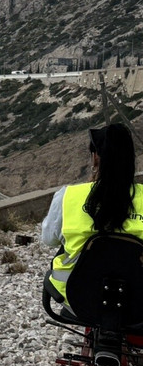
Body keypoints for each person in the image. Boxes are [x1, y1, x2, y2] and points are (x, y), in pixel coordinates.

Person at [42, 123, 143, 304]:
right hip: (137, 301)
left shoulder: (68, 196)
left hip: (76, 296)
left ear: (95, 158)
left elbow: (49, 239)